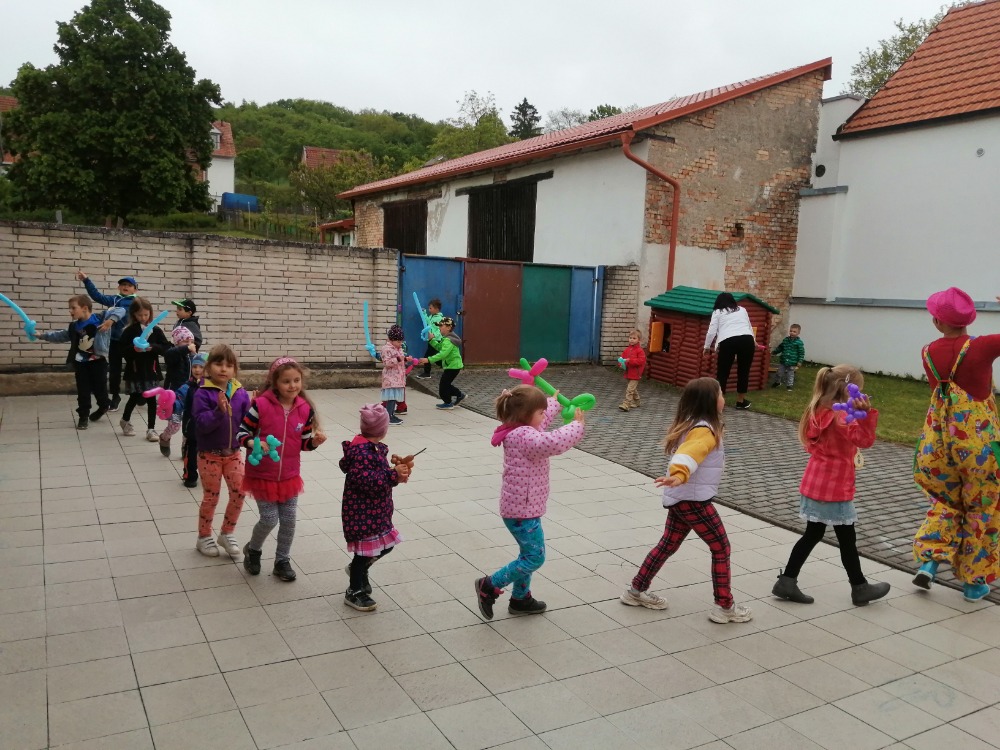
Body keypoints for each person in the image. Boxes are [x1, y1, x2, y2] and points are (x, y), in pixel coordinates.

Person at [621, 377, 753, 623]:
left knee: (667, 545)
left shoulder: (693, 424)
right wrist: (680, 473)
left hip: (682, 498)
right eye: (721, 393)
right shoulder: (704, 430)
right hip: (693, 501)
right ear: (711, 401)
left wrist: (679, 478)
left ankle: (636, 591)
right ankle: (724, 606)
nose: (724, 398)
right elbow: (689, 454)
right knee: (721, 548)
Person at [771, 365, 891, 606]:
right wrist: (866, 415)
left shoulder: (819, 408)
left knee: (814, 534)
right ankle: (859, 587)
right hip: (834, 488)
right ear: (847, 389)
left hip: (816, 482)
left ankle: (787, 581)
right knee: (846, 539)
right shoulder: (841, 416)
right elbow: (864, 440)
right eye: (858, 390)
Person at [912, 287, 1000, 602]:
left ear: (937, 322)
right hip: (978, 447)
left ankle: (930, 561)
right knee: (981, 509)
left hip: (938, 443)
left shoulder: (927, 352)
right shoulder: (983, 346)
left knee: (945, 501)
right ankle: (974, 584)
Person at [474, 385, 586, 620]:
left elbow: (539, 426)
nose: (544, 417)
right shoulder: (526, 436)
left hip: (522, 508)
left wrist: (551, 404)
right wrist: (576, 426)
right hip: (522, 511)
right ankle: (489, 585)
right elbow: (552, 442)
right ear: (526, 416)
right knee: (535, 557)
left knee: (527, 553)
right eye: (541, 412)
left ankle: (520, 598)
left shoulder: (519, 429)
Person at [239, 358, 327, 582]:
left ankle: (282, 561)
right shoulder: (260, 405)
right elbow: (242, 432)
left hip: (289, 475)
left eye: (296, 380)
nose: (292, 385)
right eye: (286, 381)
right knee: (269, 519)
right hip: (262, 474)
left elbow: (304, 443)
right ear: (275, 383)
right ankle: (253, 550)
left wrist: (314, 442)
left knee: (289, 521)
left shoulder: (305, 409)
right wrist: (252, 442)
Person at [340, 403, 409, 611]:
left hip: (376, 511)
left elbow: (377, 476)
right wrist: (392, 474)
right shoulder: (363, 452)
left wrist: (394, 473)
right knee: (363, 555)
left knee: (387, 545)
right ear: (383, 429)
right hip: (362, 514)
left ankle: (358, 570)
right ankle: (354, 591)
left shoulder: (373, 449)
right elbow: (368, 481)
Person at [191, 344, 250, 559]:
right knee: (211, 496)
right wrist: (218, 412)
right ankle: (204, 536)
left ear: (235, 369)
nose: (223, 369)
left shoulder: (240, 392)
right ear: (208, 367)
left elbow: (247, 423)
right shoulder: (203, 393)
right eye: (218, 364)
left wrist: (258, 408)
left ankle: (227, 532)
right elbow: (201, 424)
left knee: (239, 492)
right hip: (209, 456)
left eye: (229, 365)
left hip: (233, 453)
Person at [35, 295, 124, 430]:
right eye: (69, 308)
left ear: (84, 308)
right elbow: (60, 336)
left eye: (73, 308)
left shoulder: (100, 319)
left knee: (100, 390)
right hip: (81, 363)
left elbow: (121, 310)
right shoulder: (74, 326)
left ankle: (104, 405)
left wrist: (110, 321)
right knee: (83, 391)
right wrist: (42, 336)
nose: (70, 311)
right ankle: (83, 416)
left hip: (98, 362)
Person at [77, 271, 138, 412]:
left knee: (135, 368)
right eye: (123, 284)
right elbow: (97, 296)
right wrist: (86, 280)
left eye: (129, 285)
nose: (126, 287)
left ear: (135, 289)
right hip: (114, 341)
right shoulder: (113, 299)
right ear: (119, 287)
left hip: (130, 341)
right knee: (114, 370)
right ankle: (115, 396)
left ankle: (139, 393)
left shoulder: (136, 303)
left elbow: (136, 316)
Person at [120, 297, 169, 441]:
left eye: (146, 314)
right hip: (135, 371)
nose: (143, 318)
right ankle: (125, 420)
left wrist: (152, 347)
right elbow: (122, 350)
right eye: (139, 315)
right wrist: (134, 349)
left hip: (151, 371)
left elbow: (166, 347)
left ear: (150, 314)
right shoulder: (130, 331)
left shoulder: (156, 330)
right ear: (134, 314)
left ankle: (151, 429)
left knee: (152, 400)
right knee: (134, 397)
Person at [704, 292, 758, 410]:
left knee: (723, 372)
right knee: (744, 371)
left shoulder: (717, 312)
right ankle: (740, 401)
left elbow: (711, 331)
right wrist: (754, 341)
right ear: (733, 301)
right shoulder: (742, 309)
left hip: (728, 341)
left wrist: (707, 347)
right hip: (747, 340)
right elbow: (749, 326)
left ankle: (719, 402)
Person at [158, 325, 197, 457]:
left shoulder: (192, 357)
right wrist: (186, 348)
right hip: (175, 396)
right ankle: (165, 437)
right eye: (186, 341)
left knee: (189, 425)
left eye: (191, 341)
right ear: (177, 342)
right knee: (174, 424)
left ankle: (186, 450)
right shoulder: (173, 353)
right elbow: (169, 355)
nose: (190, 344)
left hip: (190, 395)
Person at [416, 316, 465, 409]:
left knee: (443, 386)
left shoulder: (448, 340)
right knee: (445, 384)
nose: (439, 328)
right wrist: (431, 340)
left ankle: (448, 403)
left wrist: (428, 360)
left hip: (453, 366)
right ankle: (459, 395)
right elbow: (439, 347)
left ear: (448, 327)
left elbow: (442, 354)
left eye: (441, 326)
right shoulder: (446, 339)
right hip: (452, 366)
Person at [179, 352, 206, 488]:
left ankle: (208, 474)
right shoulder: (188, 386)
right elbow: (179, 399)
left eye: (201, 367)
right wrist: (172, 405)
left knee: (207, 453)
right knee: (190, 452)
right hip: (191, 427)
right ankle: (190, 476)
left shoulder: (211, 387)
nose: (197, 370)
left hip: (207, 427)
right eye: (195, 367)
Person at [380, 325, 409, 425]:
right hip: (390, 377)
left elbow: (400, 360)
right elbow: (387, 363)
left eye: (401, 342)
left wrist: (405, 359)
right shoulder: (386, 349)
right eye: (398, 342)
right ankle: (389, 416)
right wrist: (399, 359)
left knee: (394, 397)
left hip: (398, 377)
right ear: (392, 340)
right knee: (391, 398)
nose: (400, 344)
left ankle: (391, 414)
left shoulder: (398, 348)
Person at [618, 328, 647, 412]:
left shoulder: (640, 351)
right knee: (633, 389)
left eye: (634, 338)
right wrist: (620, 363)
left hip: (636, 373)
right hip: (628, 372)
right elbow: (622, 358)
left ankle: (626, 404)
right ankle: (637, 402)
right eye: (630, 338)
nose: (631, 340)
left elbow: (641, 361)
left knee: (630, 389)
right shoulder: (627, 350)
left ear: (639, 340)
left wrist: (629, 360)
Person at [416, 298, 445, 379]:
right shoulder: (431, 316)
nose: (429, 310)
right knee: (436, 357)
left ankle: (427, 373)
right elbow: (427, 322)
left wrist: (434, 335)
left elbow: (440, 330)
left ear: (437, 309)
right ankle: (448, 366)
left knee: (427, 356)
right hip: (431, 340)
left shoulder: (439, 318)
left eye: (430, 308)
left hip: (436, 340)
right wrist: (424, 313)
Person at [771, 324, 805, 391]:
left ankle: (789, 385)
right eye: (791, 331)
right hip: (783, 361)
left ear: (798, 333)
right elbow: (780, 347)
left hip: (792, 362)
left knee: (790, 374)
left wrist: (800, 361)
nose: (792, 333)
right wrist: (774, 352)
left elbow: (801, 353)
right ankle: (777, 382)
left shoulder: (799, 343)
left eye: (794, 332)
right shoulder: (786, 340)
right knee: (779, 372)